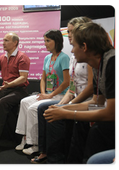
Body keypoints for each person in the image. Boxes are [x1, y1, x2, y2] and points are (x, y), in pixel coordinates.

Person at [43, 22, 116, 164]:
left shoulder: (112, 62)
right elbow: (96, 102)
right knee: (78, 123)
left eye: (74, 46)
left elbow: (111, 113)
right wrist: (62, 108)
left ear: (85, 47)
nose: (72, 51)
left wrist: (66, 113)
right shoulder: (97, 64)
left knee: (92, 130)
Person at [30, 17, 93, 164]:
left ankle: (55, 160)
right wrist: (61, 105)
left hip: (87, 102)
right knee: (44, 108)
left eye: (71, 31)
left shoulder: (88, 55)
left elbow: (90, 88)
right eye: (69, 31)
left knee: (54, 113)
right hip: (74, 99)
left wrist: (66, 106)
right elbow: (72, 87)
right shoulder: (73, 57)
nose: (69, 35)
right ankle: (45, 151)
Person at [15, 29, 70, 155]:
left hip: (60, 95)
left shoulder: (64, 58)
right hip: (48, 94)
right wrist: (42, 93)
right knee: (24, 102)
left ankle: (35, 144)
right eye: (44, 40)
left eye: (48, 41)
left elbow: (66, 82)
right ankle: (25, 138)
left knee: (33, 108)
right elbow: (43, 78)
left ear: (56, 41)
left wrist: (49, 95)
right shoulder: (47, 58)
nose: (45, 43)